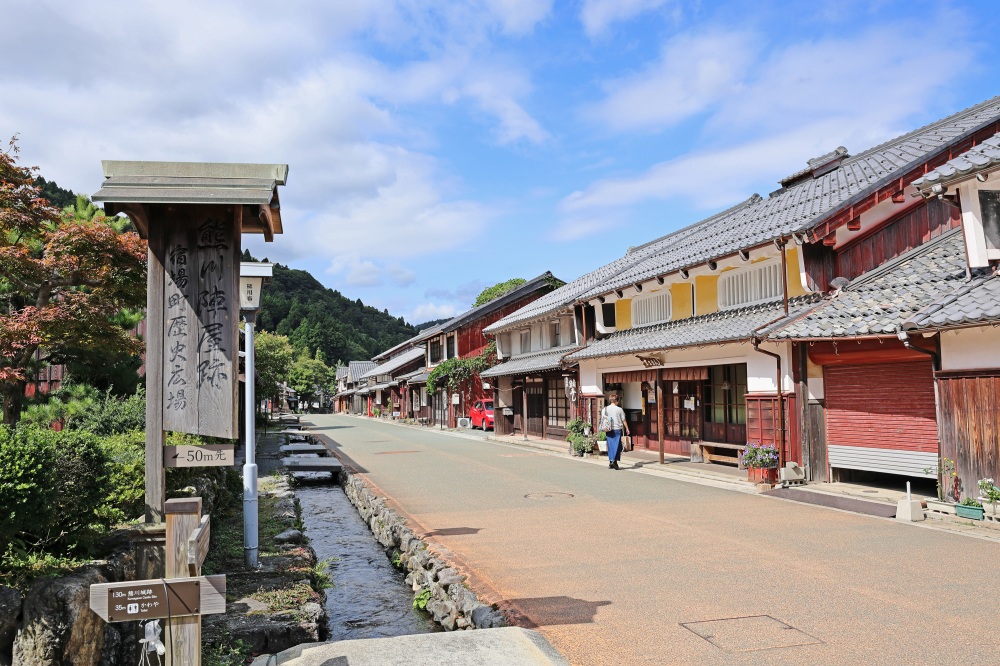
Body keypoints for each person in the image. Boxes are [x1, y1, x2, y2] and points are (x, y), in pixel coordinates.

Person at [602, 393, 629, 470]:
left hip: (608, 429)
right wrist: (627, 428)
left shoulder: (605, 409)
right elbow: (623, 420)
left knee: (610, 446)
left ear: (610, 400)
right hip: (617, 429)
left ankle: (611, 461)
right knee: (617, 446)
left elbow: (603, 419)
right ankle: (614, 462)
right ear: (616, 401)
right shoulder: (619, 409)